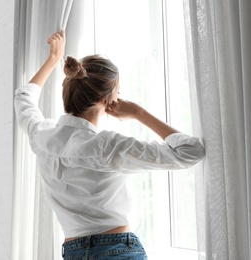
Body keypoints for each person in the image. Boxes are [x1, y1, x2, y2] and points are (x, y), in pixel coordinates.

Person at [14, 31, 205, 259]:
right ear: (106, 100)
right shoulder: (108, 145)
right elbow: (190, 152)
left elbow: (24, 98)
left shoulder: (42, 136)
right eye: (118, 91)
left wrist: (53, 59)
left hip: (73, 252)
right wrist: (138, 112)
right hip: (117, 250)